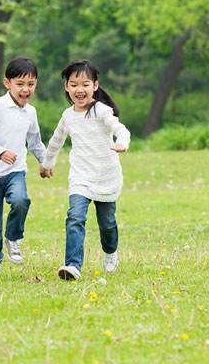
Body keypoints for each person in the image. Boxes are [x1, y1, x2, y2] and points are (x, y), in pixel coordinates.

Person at [41, 59, 131, 281]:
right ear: (66, 87)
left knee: (107, 224)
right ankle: (73, 266)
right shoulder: (68, 116)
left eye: (85, 84)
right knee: (75, 217)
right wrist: (47, 163)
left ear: (95, 86)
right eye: (73, 84)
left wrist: (122, 142)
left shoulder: (101, 110)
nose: (79, 89)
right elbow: (55, 141)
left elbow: (120, 128)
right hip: (81, 177)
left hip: (106, 175)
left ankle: (110, 252)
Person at [0, 57, 49, 280]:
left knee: (20, 200)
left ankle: (13, 237)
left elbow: (35, 141)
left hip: (15, 171)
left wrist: (45, 162)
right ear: (7, 83)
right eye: (20, 84)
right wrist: (0, 152)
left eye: (31, 84)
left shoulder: (31, 113)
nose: (26, 89)